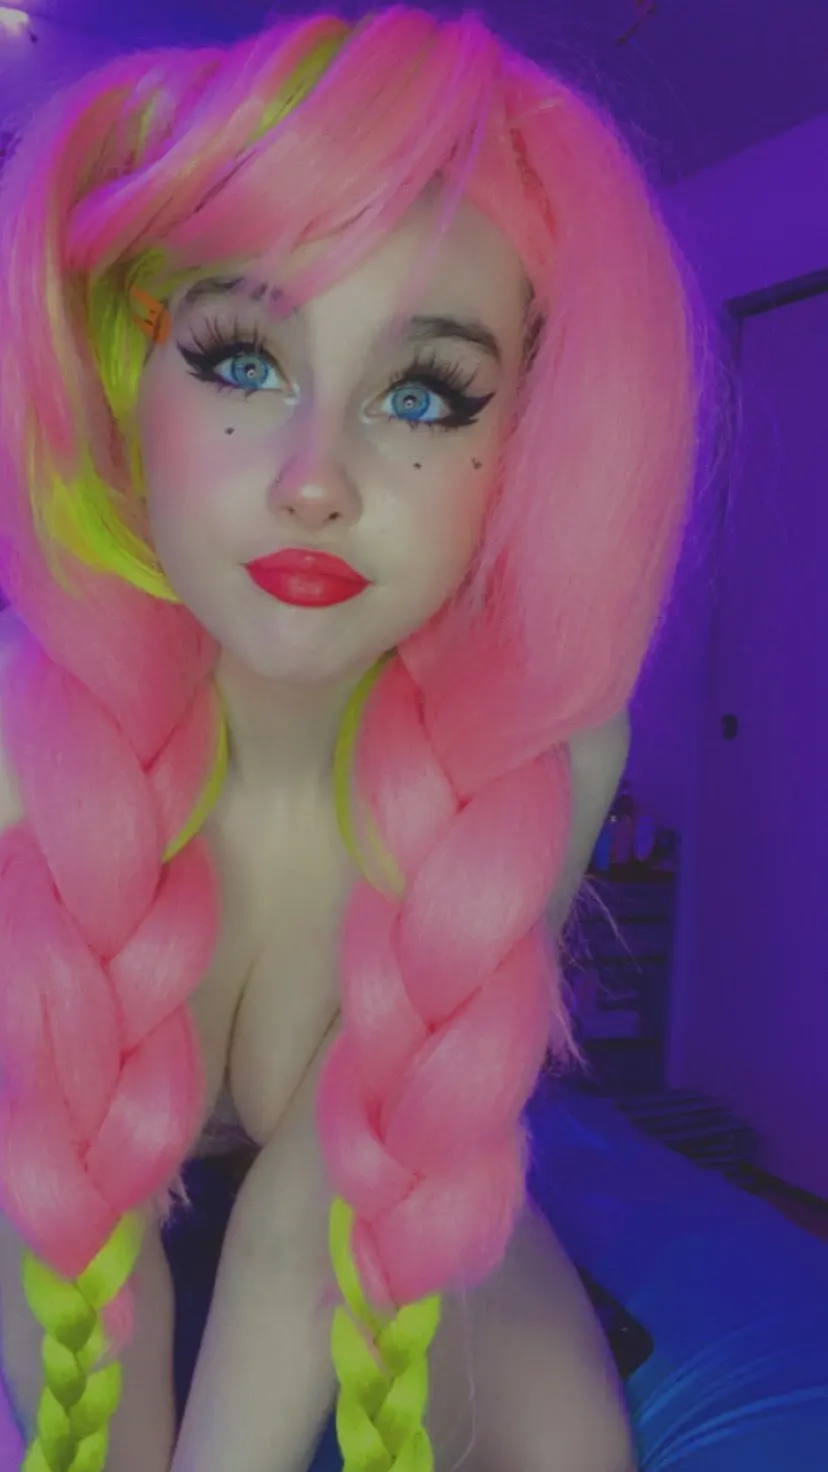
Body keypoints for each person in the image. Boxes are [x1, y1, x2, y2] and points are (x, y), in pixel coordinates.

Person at [0, 6, 700, 1470]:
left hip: (391, 1202)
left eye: (425, 393)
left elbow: (305, 1229)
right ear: (130, 378)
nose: (316, 478)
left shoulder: (546, 757)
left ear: (530, 443)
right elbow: (48, 1209)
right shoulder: (22, 742)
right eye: (242, 360)